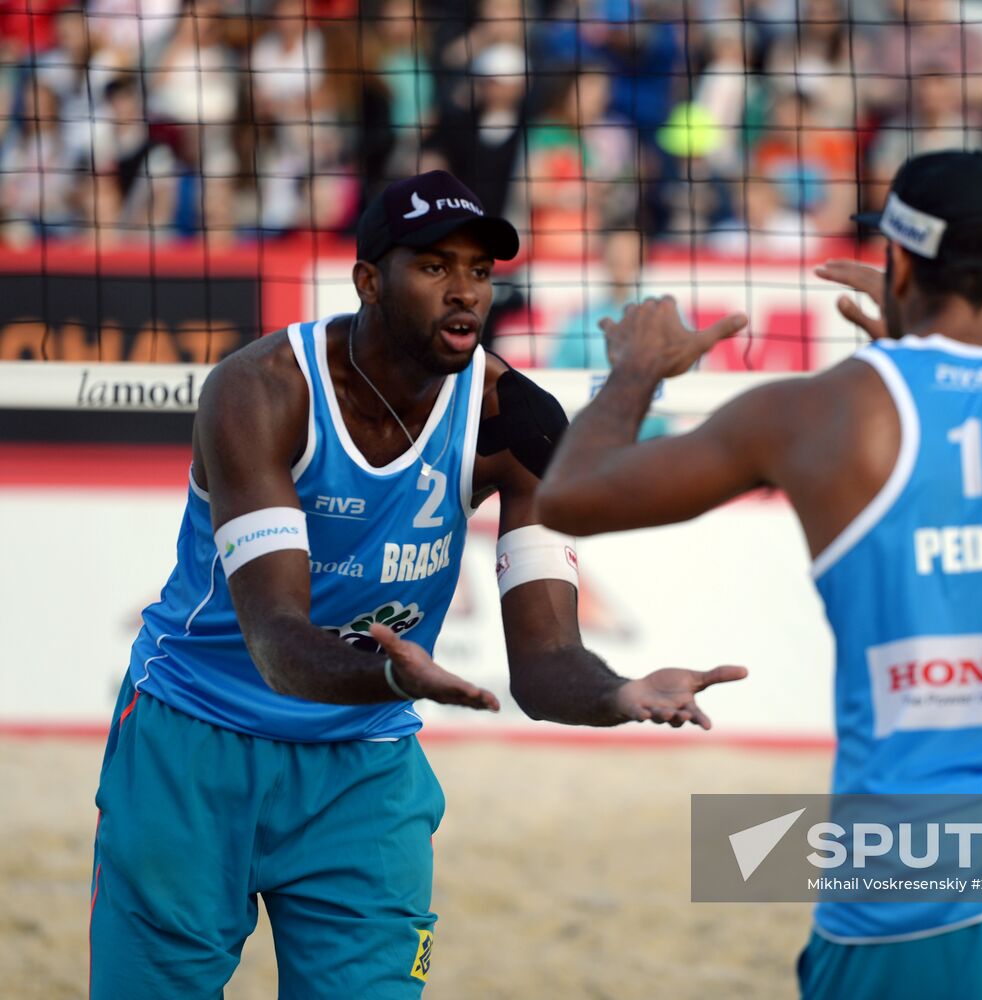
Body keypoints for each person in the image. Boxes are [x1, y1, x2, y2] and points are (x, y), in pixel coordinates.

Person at [536, 151, 982, 999]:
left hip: (905, 875)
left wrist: (635, 369)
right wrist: (924, 365)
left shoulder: (818, 414)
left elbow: (572, 497)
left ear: (897, 263)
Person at [89, 169, 746, 999]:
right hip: (194, 740)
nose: (465, 290)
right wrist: (394, 672)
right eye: (435, 267)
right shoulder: (261, 390)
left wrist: (619, 692)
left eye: (479, 269)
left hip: (362, 763)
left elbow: (543, 668)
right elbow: (278, 645)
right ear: (369, 279)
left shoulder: (515, 419)